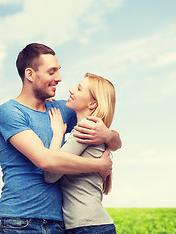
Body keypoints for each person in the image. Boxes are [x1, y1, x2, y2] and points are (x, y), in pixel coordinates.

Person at [0, 43, 121, 234]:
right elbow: (45, 161)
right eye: (52, 72)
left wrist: (109, 135)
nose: (59, 79)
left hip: (60, 224)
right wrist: (99, 166)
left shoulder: (61, 110)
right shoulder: (9, 112)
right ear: (30, 74)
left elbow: (105, 131)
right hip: (20, 221)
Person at [44, 73, 117, 234]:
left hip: (87, 227)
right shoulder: (93, 127)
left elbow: (50, 174)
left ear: (92, 103)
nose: (71, 90)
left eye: (78, 89)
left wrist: (57, 134)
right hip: (91, 225)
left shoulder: (86, 128)